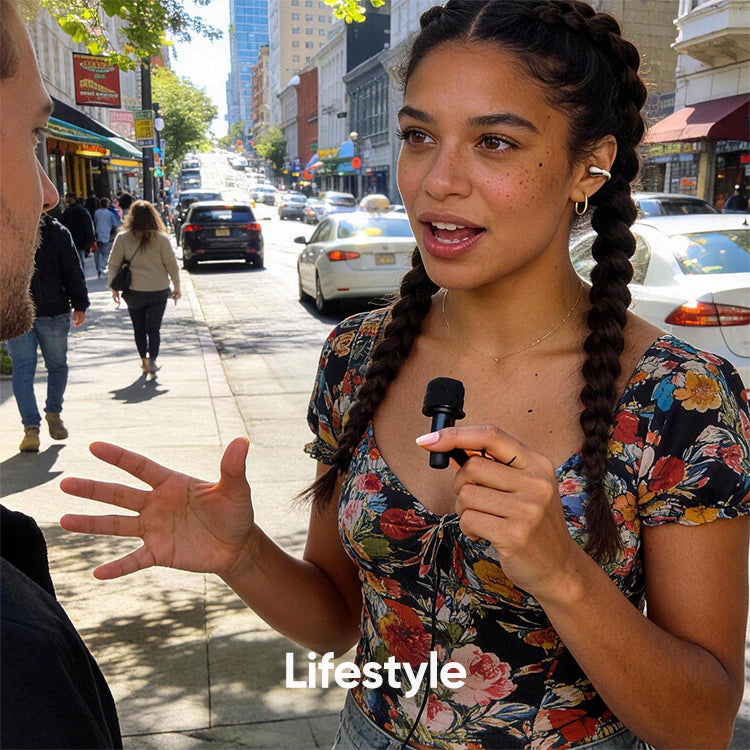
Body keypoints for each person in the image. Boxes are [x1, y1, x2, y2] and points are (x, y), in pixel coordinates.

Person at [60, 2, 749, 749]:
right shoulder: (358, 355)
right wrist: (244, 555)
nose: (437, 180)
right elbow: (336, 621)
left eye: (494, 142)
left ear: (590, 166)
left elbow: (702, 726)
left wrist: (563, 575)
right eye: (420, 136)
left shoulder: (681, 396)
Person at [0, 1, 122, 746]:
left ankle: (32, 419)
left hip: (36, 314)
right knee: (50, 370)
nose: (49, 191)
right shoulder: (17, 663)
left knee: (33, 372)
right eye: (30, 137)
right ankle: (43, 414)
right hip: (46, 317)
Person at [5, 212, 89, 452]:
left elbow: (72, 269)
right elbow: (73, 269)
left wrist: (80, 302)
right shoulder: (57, 231)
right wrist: (80, 303)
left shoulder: (10, 229)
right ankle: (48, 416)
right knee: (55, 366)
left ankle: (35, 426)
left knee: (26, 368)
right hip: (39, 310)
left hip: (27, 310)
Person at [106, 199, 181, 375]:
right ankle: (152, 359)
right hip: (158, 290)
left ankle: (144, 360)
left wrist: (113, 288)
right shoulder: (161, 239)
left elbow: (113, 264)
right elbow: (172, 265)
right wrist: (176, 286)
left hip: (134, 291)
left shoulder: (123, 238)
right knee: (154, 329)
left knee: (138, 328)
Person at [60, 191, 95, 269]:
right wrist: (91, 238)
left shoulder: (68, 212)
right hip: (81, 238)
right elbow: (88, 224)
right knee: (80, 258)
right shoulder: (82, 210)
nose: (65, 200)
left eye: (67, 198)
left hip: (73, 238)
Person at [94, 196, 118, 278]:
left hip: (97, 235)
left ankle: (98, 268)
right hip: (107, 235)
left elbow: (94, 222)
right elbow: (115, 225)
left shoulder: (97, 212)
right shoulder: (110, 214)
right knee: (106, 254)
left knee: (97, 254)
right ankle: (102, 266)